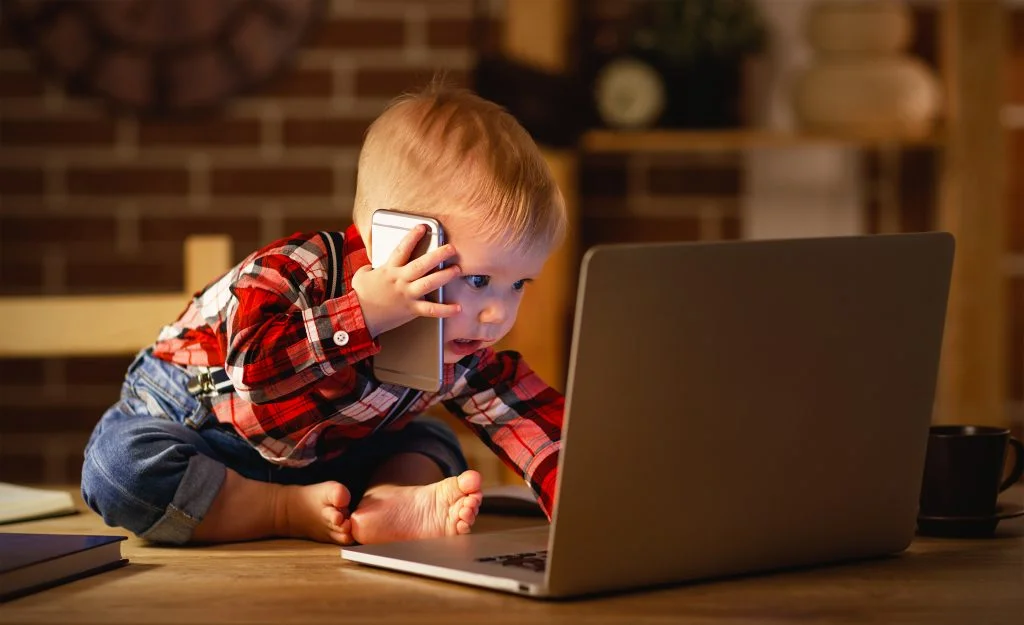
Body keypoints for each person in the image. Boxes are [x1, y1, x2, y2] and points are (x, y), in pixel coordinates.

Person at [80, 84, 567, 546]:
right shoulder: (298, 269)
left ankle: (386, 502)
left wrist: (582, 502)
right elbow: (253, 371)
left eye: (519, 284)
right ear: (401, 242)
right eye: (479, 280)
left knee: (433, 443)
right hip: (208, 441)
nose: (497, 315)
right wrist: (364, 315)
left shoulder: (460, 344)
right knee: (118, 467)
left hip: (325, 461)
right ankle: (280, 510)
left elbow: (524, 418)